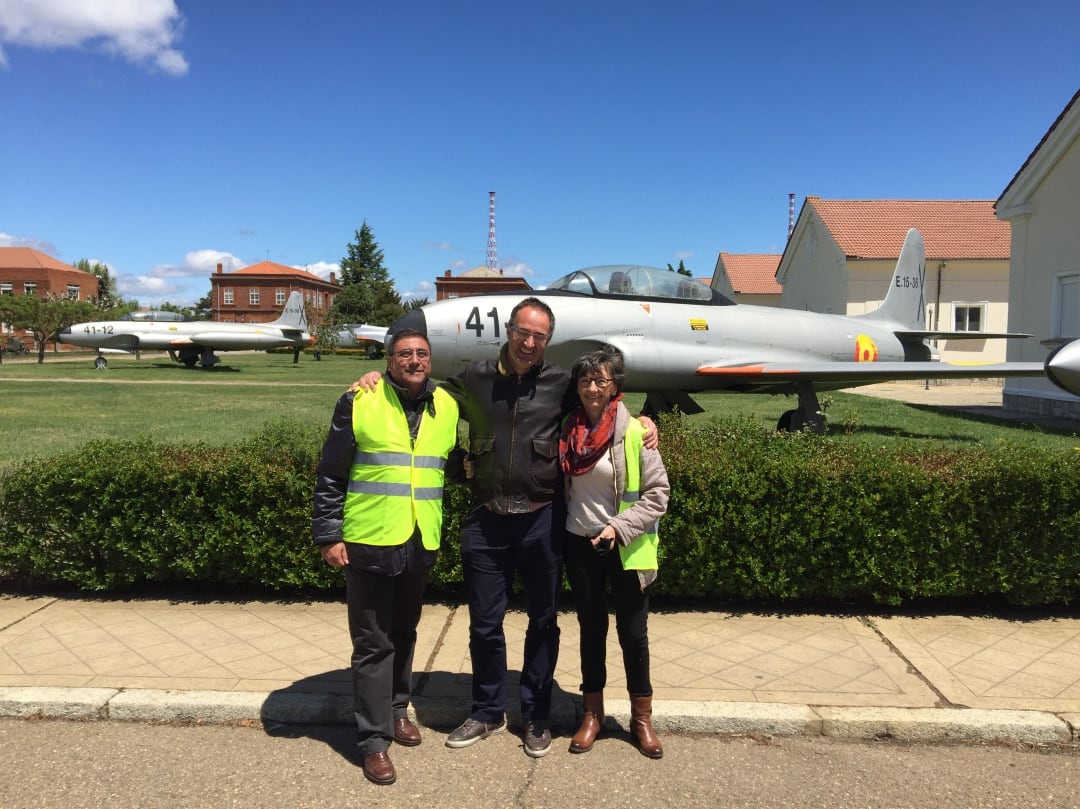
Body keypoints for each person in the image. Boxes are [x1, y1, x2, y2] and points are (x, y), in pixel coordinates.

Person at [354, 297, 656, 759]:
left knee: (542, 623)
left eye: (539, 336)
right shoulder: (473, 377)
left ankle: (535, 714)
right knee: (485, 625)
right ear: (509, 332)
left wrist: (642, 421)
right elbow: (420, 396)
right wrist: (378, 379)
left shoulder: (560, 382)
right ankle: (488, 709)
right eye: (523, 332)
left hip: (542, 519)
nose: (529, 342)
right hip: (487, 522)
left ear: (547, 341)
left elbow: (604, 403)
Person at [313, 328, 459, 786]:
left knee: (405, 631)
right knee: (373, 643)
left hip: (420, 538)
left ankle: (397, 711)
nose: (414, 360)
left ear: (430, 360)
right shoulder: (360, 398)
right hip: (370, 538)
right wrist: (328, 533)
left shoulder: (448, 407)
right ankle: (373, 741)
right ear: (389, 360)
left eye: (421, 353)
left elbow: (448, 465)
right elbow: (332, 473)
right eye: (404, 354)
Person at [559, 344, 669, 759]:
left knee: (633, 636)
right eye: (586, 380)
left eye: (601, 380)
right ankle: (593, 715)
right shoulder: (568, 430)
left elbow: (659, 494)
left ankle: (641, 719)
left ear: (614, 386)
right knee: (591, 632)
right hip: (579, 544)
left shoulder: (636, 432)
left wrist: (617, 528)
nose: (592, 387)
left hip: (627, 547)